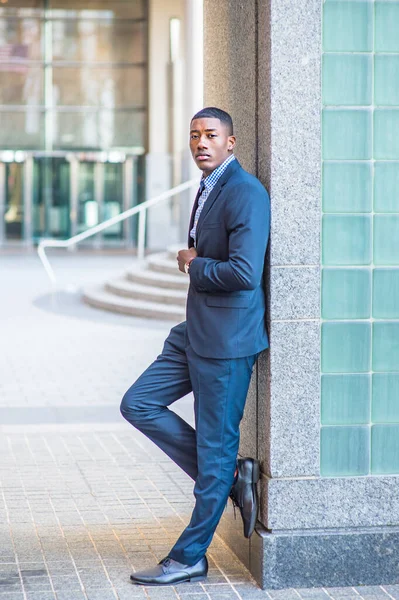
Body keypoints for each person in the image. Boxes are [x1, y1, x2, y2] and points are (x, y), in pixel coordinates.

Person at [121, 106, 270, 586]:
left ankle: (189, 557)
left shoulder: (246, 193)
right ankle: (226, 477)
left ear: (231, 143)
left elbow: (245, 273)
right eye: (194, 136)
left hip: (226, 343)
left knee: (216, 444)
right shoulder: (210, 187)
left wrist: (194, 262)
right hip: (193, 334)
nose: (200, 143)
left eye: (211, 135)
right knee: (138, 404)